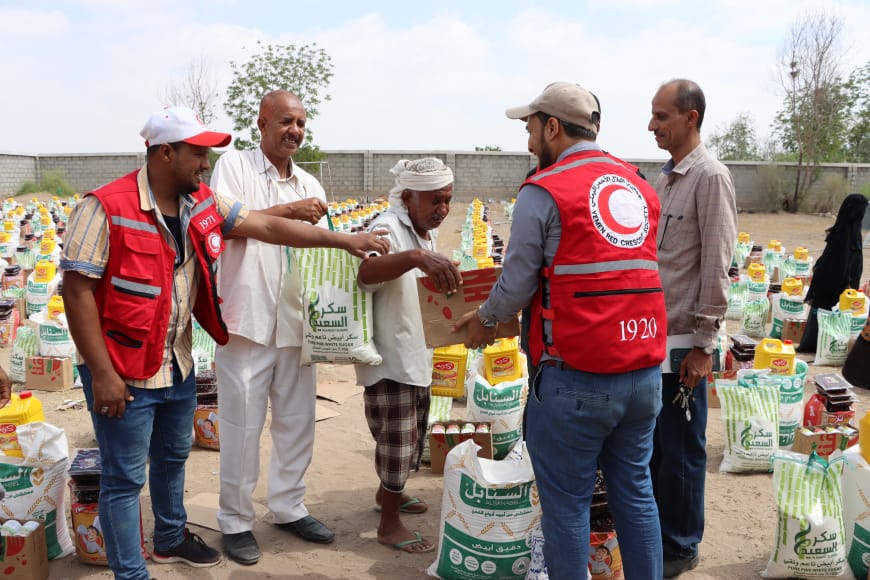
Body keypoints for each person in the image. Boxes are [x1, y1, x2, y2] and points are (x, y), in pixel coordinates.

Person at [60, 106, 389, 580]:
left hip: (175, 360)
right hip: (123, 367)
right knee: (124, 478)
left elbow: (269, 227)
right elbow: (77, 291)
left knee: (173, 459)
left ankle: (171, 537)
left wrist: (345, 241)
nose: (205, 163)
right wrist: (104, 376)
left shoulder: (200, 203)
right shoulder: (104, 206)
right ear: (165, 153)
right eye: (197, 154)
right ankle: (132, 573)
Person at [457, 81, 667, 579]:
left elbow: (514, 285)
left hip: (576, 378)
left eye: (531, 127)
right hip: (643, 372)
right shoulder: (639, 185)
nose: (529, 139)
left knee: (568, 507)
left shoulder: (544, 189)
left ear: (553, 126)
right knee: (636, 494)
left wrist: (483, 319)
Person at [209, 90, 334, 566]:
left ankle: (288, 506)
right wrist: (290, 212)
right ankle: (236, 521)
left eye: (301, 123)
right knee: (241, 426)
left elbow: (319, 248)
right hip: (247, 320)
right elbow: (225, 223)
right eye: (285, 121)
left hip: (296, 322)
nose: (295, 131)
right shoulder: (233, 168)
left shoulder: (308, 182)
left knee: (297, 422)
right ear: (260, 123)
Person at [647, 79, 737, 577]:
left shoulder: (711, 177)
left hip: (685, 344)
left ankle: (681, 546)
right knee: (658, 447)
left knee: (682, 448)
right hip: (655, 340)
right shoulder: (666, 180)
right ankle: (659, 533)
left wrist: (704, 346)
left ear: (691, 117)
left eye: (661, 116)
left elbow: (715, 266)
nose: (652, 125)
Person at [355, 157, 461, 554]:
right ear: (407, 197)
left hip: (413, 352)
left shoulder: (421, 234)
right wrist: (417, 259)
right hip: (389, 356)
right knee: (397, 442)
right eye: (435, 201)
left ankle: (389, 498)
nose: (443, 210)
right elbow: (367, 272)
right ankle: (388, 525)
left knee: (410, 436)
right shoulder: (386, 226)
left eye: (448, 200)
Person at [797, 193, 868, 352]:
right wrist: (848, 282)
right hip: (834, 284)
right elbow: (838, 264)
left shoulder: (848, 231)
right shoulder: (844, 234)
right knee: (826, 314)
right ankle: (819, 346)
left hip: (837, 284)